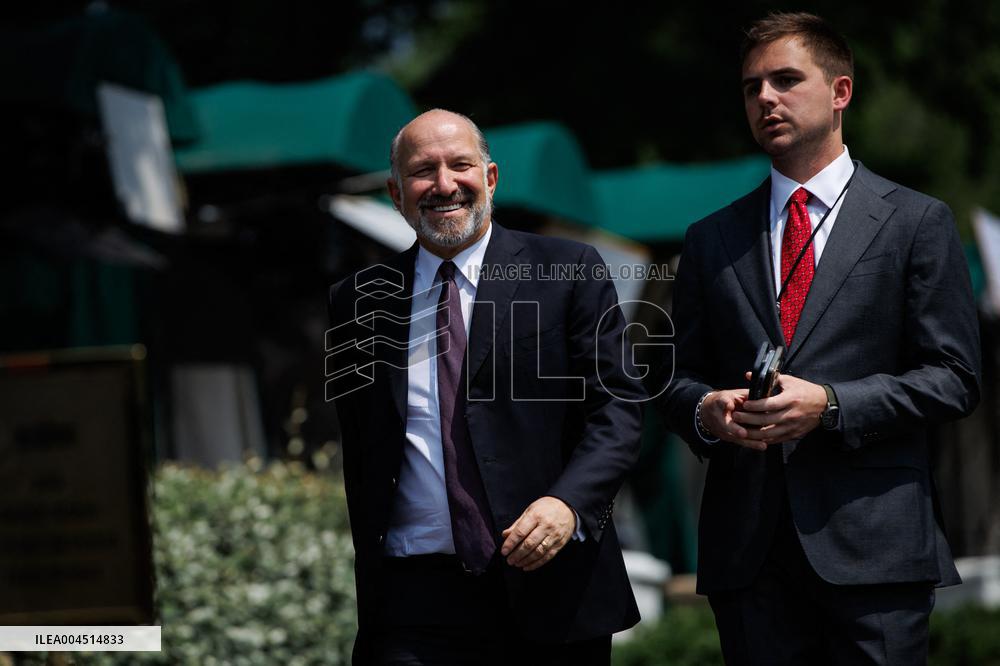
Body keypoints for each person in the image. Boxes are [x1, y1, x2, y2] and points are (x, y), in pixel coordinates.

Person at [658, 12, 981, 665]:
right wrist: (706, 411)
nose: (765, 99)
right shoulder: (709, 238)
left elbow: (955, 376)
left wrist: (830, 405)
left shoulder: (917, 222)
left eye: (785, 80)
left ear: (840, 92)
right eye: (752, 87)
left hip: (877, 556)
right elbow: (670, 377)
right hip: (747, 558)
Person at [326, 109, 644, 665]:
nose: (444, 184)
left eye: (460, 165)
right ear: (395, 194)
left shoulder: (568, 271)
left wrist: (569, 504)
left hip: (549, 587)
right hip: (410, 602)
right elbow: (362, 442)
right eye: (423, 171)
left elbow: (616, 412)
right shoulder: (358, 300)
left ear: (490, 178)